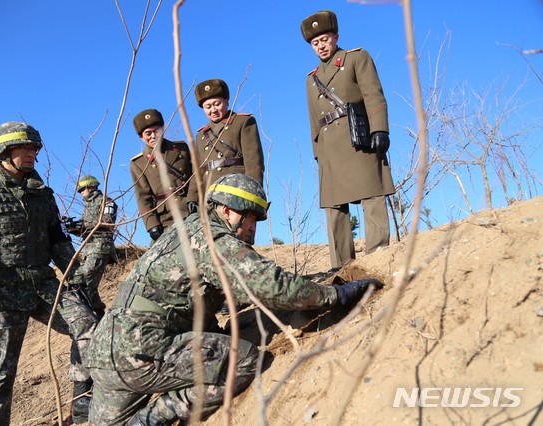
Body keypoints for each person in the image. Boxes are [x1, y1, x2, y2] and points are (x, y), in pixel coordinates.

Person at [84, 173, 382, 425]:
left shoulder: (181, 230)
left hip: (104, 353)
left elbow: (185, 299)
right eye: (249, 216)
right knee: (245, 360)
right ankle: (155, 417)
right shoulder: (213, 240)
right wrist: (334, 294)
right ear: (226, 211)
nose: (253, 226)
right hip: (140, 352)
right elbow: (273, 286)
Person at [0, 121, 97, 425]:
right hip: (0, 293)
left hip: (43, 285)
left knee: (90, 329)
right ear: (3, 151)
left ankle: (82, 402)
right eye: (24, 148)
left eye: (34, 148)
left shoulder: (42, 195)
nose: (31, 154)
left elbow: (59, 241)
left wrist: (77, 281)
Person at [301, 10, 395, 271]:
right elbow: (314, 122)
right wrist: (318, 154)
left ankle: (379, 257)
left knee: (372, 192)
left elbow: (373, 94)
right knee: (334, 208)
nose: (320, 46)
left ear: (336, 37)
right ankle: (341, 267)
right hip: (330, 149)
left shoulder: (356, 59)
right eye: (315, 43)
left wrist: (380, 130)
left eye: (325, 39)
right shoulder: (311, 80)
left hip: (358, 137)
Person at [190, 78, 265, 200]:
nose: (213, 110)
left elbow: (253, 161)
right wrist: (192, 198)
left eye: (217, 104)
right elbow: (197, 171)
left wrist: (253, 192)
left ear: (226, 101)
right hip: (210, 193)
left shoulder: (242, 122)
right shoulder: (201, 135)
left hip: (237, 189)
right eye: (208, 106)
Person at [129, 108, 197, 243]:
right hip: (165, 219)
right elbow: (143, 198)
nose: (153, 136)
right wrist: (152, 225)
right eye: (148, 133)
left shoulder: (181, 149)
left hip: (191, 209)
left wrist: (193, 198)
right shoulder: (138, 163)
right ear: (141, 137)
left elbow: (196, 174)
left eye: (156, 131)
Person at [67, 174, 118, 319]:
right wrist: (73, 228)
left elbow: (107, 221)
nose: (81, 193)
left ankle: (97, 313)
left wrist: (83, 225)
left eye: (83, 189)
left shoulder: (106, 202)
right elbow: (85, 230)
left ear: (92, 187)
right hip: (89, 250)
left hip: (101, 248)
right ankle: (98, 313)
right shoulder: (87, 206)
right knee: (84, 283)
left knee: (84, 280)